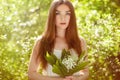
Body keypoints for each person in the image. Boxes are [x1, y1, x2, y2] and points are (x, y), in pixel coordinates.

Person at [28, 0, 89, 80]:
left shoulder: (80, 41)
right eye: (58, 13)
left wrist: (76, 79)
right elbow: (31, 74)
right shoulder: (42, 42)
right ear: (52, 16)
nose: (63, 18)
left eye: (67, 13)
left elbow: (86, 72)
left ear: (72, 17)